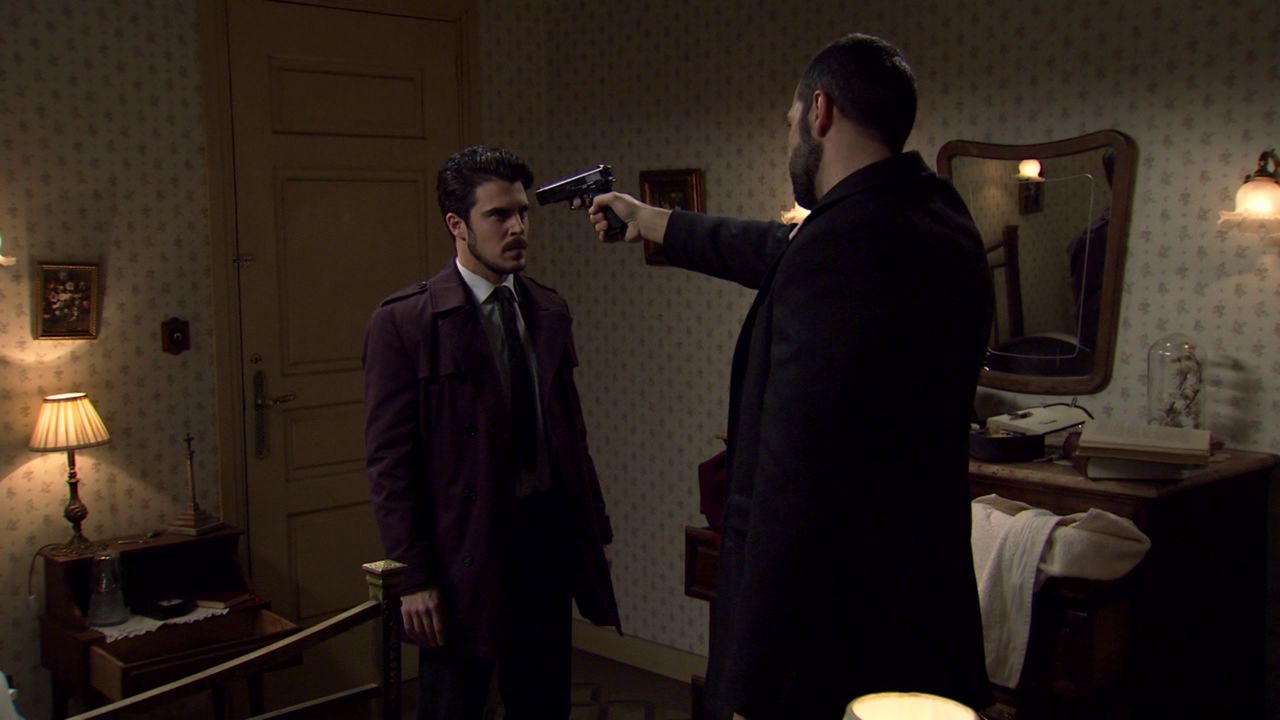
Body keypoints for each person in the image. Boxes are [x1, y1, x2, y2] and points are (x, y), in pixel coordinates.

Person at [587, 34, 994, 719]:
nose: (788, 141)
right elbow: (781, 247)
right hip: (920, 600)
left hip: (832, 627)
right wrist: (653, 221)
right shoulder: (934, 216)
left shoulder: (841, 247)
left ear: (820, 111)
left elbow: (796, 475)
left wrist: (755, 672)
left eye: (789, 122)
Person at [363, 146, 620, 720]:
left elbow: (571, 439)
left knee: (543, 703)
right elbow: (390, 466)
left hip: (544, 538)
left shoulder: (547, 309)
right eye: (499, 215)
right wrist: (414, 576)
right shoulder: (405, 323)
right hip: (463, 550)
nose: (518, 228)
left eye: (522, 213)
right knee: (454, 704)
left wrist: (595, 532)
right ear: (457, 225)